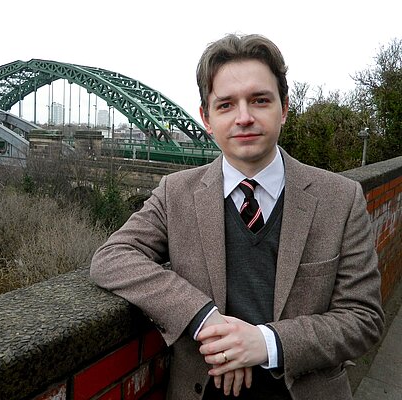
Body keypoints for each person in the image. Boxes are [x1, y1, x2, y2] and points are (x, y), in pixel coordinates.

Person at [89, 33, 384, 400]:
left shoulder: (339, 198)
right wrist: (204, 319)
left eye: (260, 100)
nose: (244, 118)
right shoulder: (175, 193)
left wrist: (265, 343)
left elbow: (363, 319)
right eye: (226, 105)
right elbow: (111, 258)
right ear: (207, 118)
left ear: (285, 108)